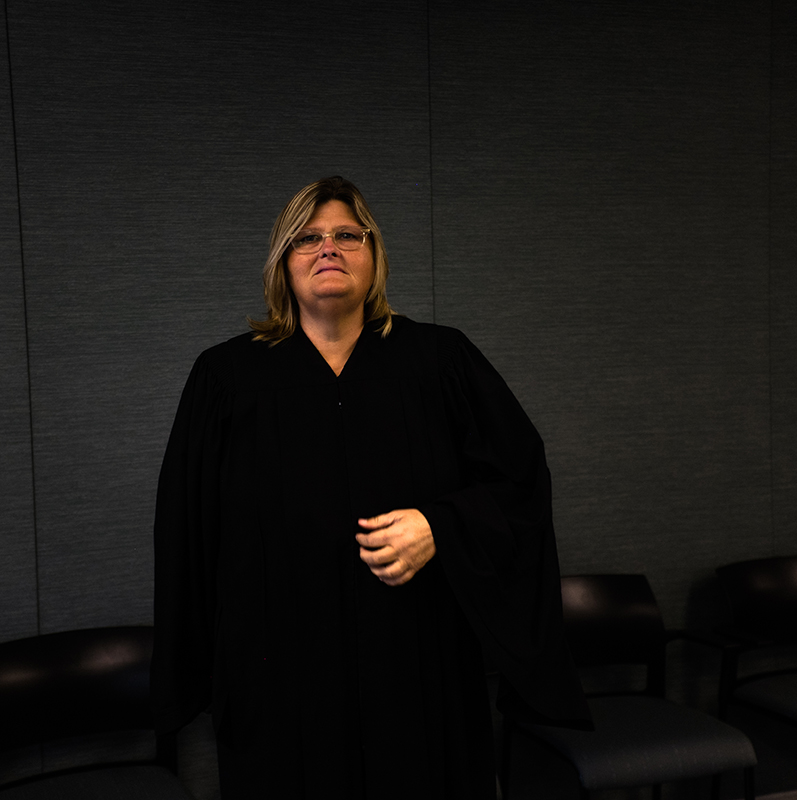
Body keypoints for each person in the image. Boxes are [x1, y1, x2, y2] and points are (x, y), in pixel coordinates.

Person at [152, 176, 589, 799]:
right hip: (280, 677)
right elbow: (184, 529)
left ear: (374, 256)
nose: (328, 247)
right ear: (284, 263)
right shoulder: (226, 379)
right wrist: (190, 671)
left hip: (417, 662)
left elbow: (519, 479)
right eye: (307, 237)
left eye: (346, 235)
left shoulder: (441, 362)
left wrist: (443, 525)